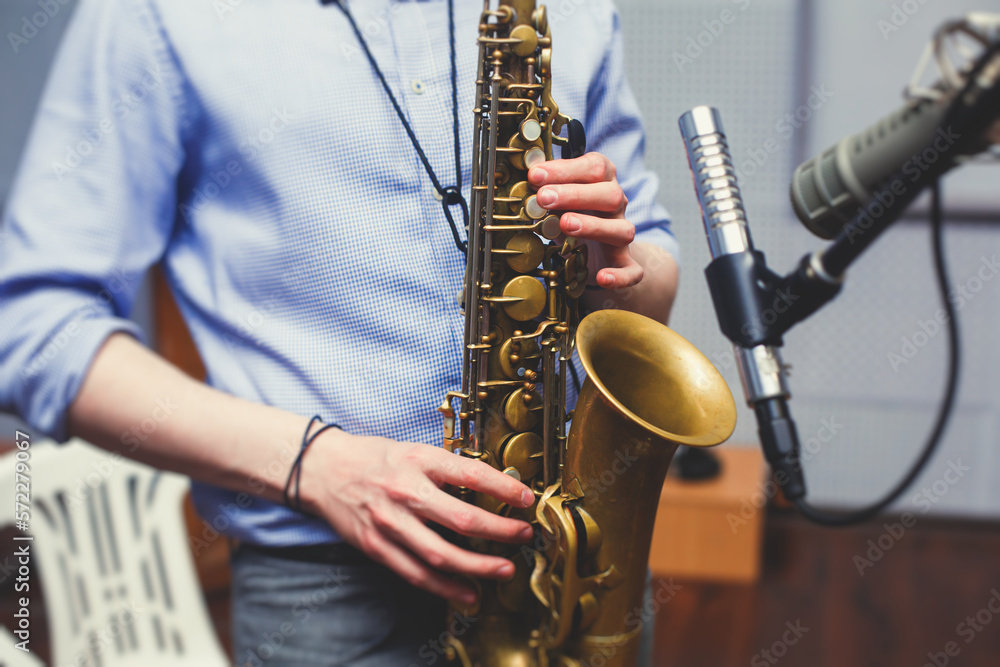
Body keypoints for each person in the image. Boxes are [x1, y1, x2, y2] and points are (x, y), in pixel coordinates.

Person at [0, 0, 680, 664]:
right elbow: (33, 327)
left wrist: (609, 264)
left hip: (572, 560)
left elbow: (646, 269)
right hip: (326, 588)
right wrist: (313, 462)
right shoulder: (154, 13)